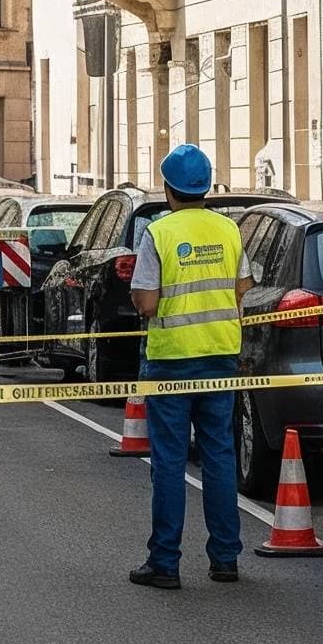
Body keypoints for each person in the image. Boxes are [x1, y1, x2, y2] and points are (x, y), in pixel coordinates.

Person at [127, 143, 249, 591]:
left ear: (168, 188)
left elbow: (147, 301)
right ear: (206, 187)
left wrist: (144, 304)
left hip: (171, 360)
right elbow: (243, 287)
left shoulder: (157, 233)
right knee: (219, 456)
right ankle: (225, 559)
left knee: (170, 462)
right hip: (220, 356)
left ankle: (165, 563)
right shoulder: (229, 229)